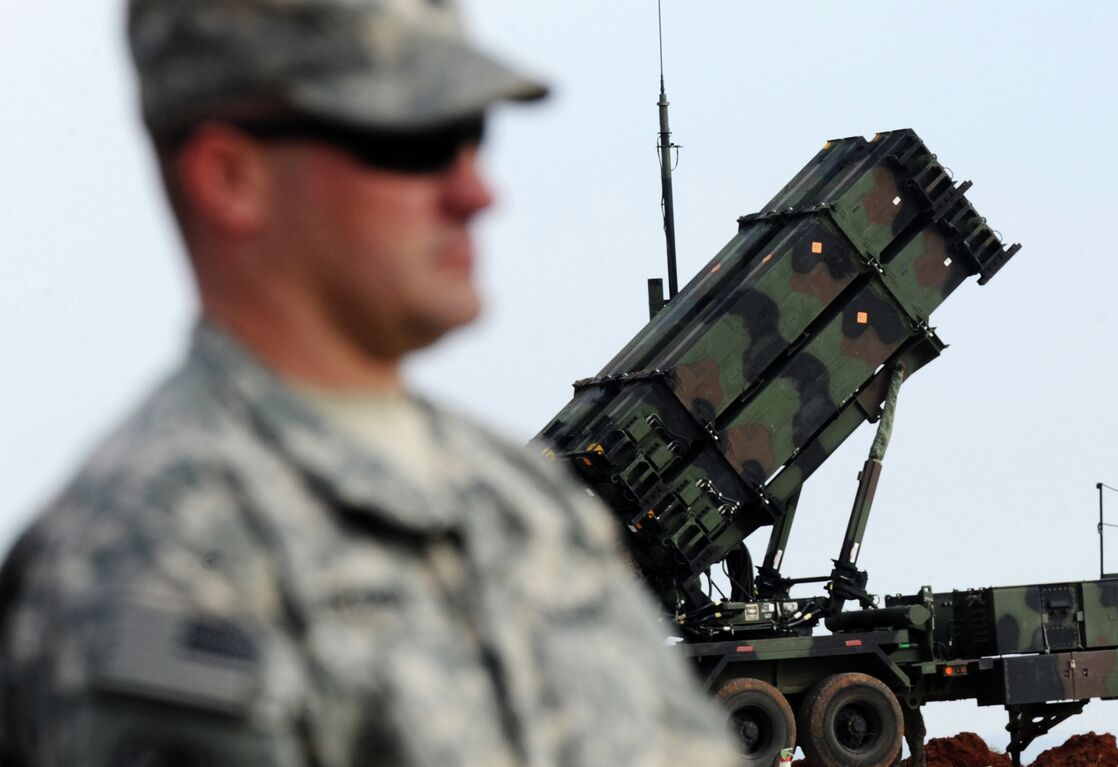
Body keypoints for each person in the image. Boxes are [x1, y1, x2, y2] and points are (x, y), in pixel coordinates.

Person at [0, 1, 741, 764]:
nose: (477, 192)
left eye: (472, 135)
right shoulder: (161, 564)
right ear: (231, 176)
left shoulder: (529, 506)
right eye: (414, 142)